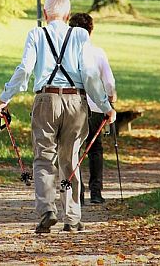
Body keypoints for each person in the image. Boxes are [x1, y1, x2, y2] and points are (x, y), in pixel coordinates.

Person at [0, 0, 116, 234]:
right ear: (68, 15)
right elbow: (90, 76)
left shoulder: (36, 34)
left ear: (46, 14)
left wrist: (4, 98)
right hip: (75, 101)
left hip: (45, 99)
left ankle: (47, 210)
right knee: (70, 159)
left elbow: (25, 70)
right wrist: (105, 106)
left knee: (43, 157)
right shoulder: (80, 35)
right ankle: (72, 217)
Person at [69, 13, 116, 205]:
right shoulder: (98, 53)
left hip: (74, 106)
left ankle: (77, 194)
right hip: (96, 106)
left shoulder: (68, 54)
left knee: (75, 149)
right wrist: (111, 99)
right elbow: (109, 81)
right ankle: (96, 192)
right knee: (95, 149)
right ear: (91, 30)